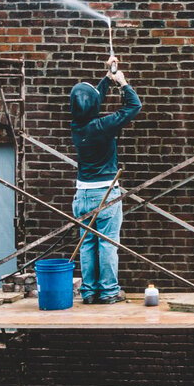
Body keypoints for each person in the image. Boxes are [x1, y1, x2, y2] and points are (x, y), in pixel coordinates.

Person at [69, 55, 142, 304]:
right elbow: (134, 107)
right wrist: (122, 83)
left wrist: (107, 78)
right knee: (108, 244)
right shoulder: (103, 126)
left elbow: (90, 103)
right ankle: (109, 292)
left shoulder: (77, 126)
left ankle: (89, 292)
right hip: (105, 194)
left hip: (81, 196)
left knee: (87, 244)